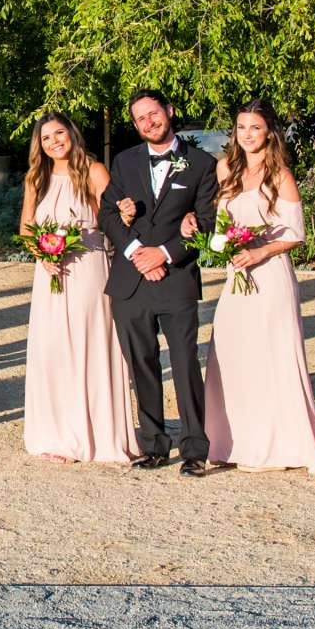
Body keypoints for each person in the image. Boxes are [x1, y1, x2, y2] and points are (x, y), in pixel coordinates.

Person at [196, 102, 315, 474]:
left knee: (271, 357)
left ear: (269, 131)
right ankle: (230, 441)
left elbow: (295, 233)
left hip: (270, 275)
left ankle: (276, 447)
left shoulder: (280, 175)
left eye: (255, 127)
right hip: (236, 278)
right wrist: (214, 240)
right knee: (231, 355)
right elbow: (220, 226)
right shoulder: (226, 170)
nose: (248, 134)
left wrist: (260, 251)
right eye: (241, 127)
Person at [98, 91, 219, 472]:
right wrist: (137, 252)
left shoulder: (201, 164)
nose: (149, 122)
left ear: (168, 111)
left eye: (154, 113)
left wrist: (165, 253)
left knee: (185, 363)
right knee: (142, 364)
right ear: (135, 125)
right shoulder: (124, 162)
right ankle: (153, 445)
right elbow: (107, 214)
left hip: (176, 279)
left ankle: (195, 450)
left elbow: (208, 223)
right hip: (130, 282)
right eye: (140, 118)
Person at [18, 113, 134, 464]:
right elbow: (26, 228)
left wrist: (127, 213)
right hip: (50, 274)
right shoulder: (36, 178)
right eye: (46, 138)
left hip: (88, 269)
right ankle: (58, 434)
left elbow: (112, 219)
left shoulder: (94, 171)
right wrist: (42, 254)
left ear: (72, 133)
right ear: (40, 145)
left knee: (87, 343)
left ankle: (93, 434)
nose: (54, 142)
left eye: (59, 133)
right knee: (53, 348)